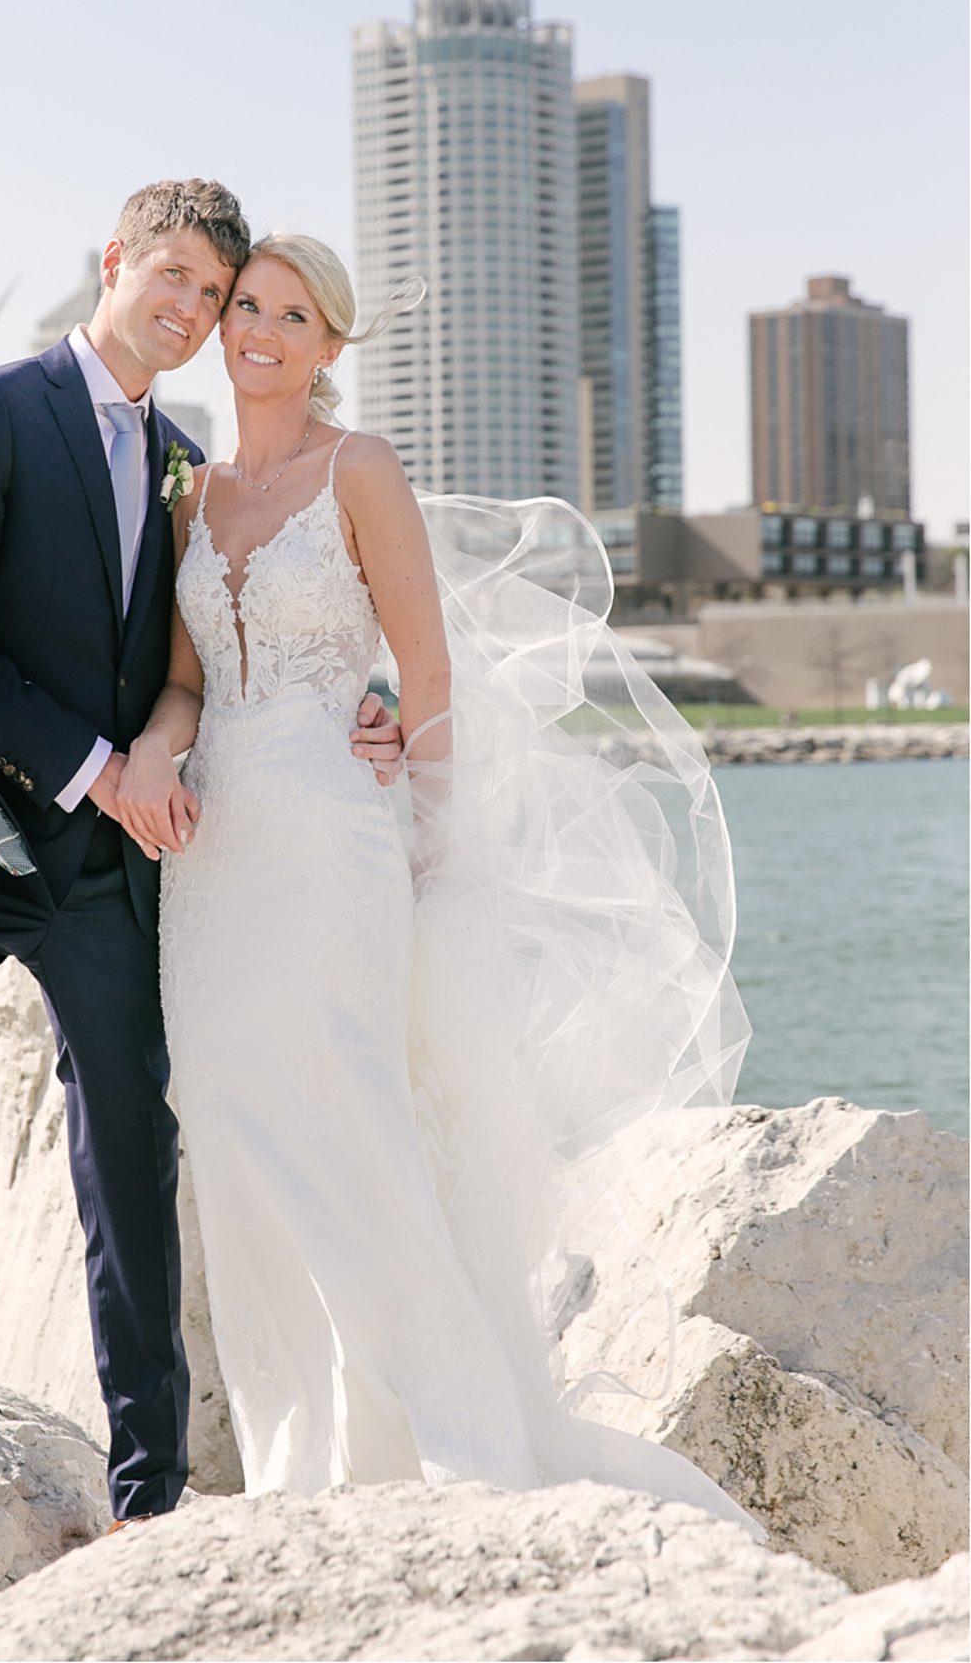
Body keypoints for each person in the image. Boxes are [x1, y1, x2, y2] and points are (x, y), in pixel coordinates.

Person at [0, 184, 404, 1552]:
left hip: (106, 866)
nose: (189, 308)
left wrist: (362, 705)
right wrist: (99, 771)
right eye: (170, 275)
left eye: (211, 295)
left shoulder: (181, 462)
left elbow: (206, 656)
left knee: (129, 1151)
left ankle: (147, 1488)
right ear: (113, 264)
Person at [115, 233, 764, 1533]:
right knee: (236, 1138)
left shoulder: (360, 470)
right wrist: (151, 749)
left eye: (293, 316)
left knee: (354, 1124)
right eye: (247, 305)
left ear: (330, 348)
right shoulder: (189, 493)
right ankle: (301, 1455)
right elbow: (188, 678)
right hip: (212, 863)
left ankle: (452, 1433)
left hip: (337, 849)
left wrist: (432, 836)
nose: (260, 330)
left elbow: (425, 676)